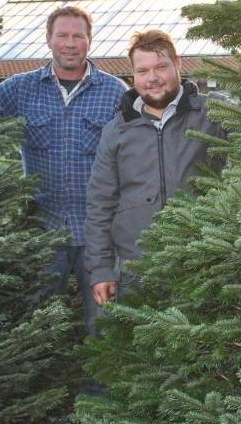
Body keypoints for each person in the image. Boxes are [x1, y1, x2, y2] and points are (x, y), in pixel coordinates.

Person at [0, 5, 127, 333]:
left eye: (78, 36)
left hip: (99, 234)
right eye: (62, 35)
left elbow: (140, 149)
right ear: (48, 39)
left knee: (104, 325)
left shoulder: (114, 91)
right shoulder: (22, 88)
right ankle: (45, 383)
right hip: (41, 231)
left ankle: (98, 387)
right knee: (35, 324)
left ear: (90, 41)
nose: (70, 43)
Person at [84, 29, 227, 318]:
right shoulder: (117, 129)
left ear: (178, 64)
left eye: (161, 67)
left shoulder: (212, 114)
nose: (153, 78)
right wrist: (101, 269)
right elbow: (100, 202)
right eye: (143, 70)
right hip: (135, 269)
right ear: (133, 76)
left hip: (201, 262)